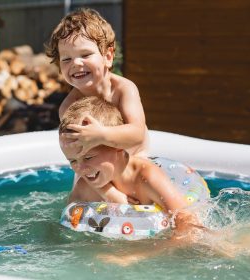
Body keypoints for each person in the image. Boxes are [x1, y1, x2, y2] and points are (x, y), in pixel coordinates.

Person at [59, 96, 200, 233]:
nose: (80, 169)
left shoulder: (147, 177)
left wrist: (137, 256)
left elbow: (188, 225)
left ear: (118, 145)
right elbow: (68, 225)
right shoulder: (83, 189)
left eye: (88, 157)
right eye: (72, 161)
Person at [46, 8, 149, 158]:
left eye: (86, 54)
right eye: (66, 59)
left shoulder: (123, 89)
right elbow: (76, 152)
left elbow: (137, 134)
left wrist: (101, 134)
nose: (76, 63)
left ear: (108, 57)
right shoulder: (68, 107)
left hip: (136, 160)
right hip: (99, 166)